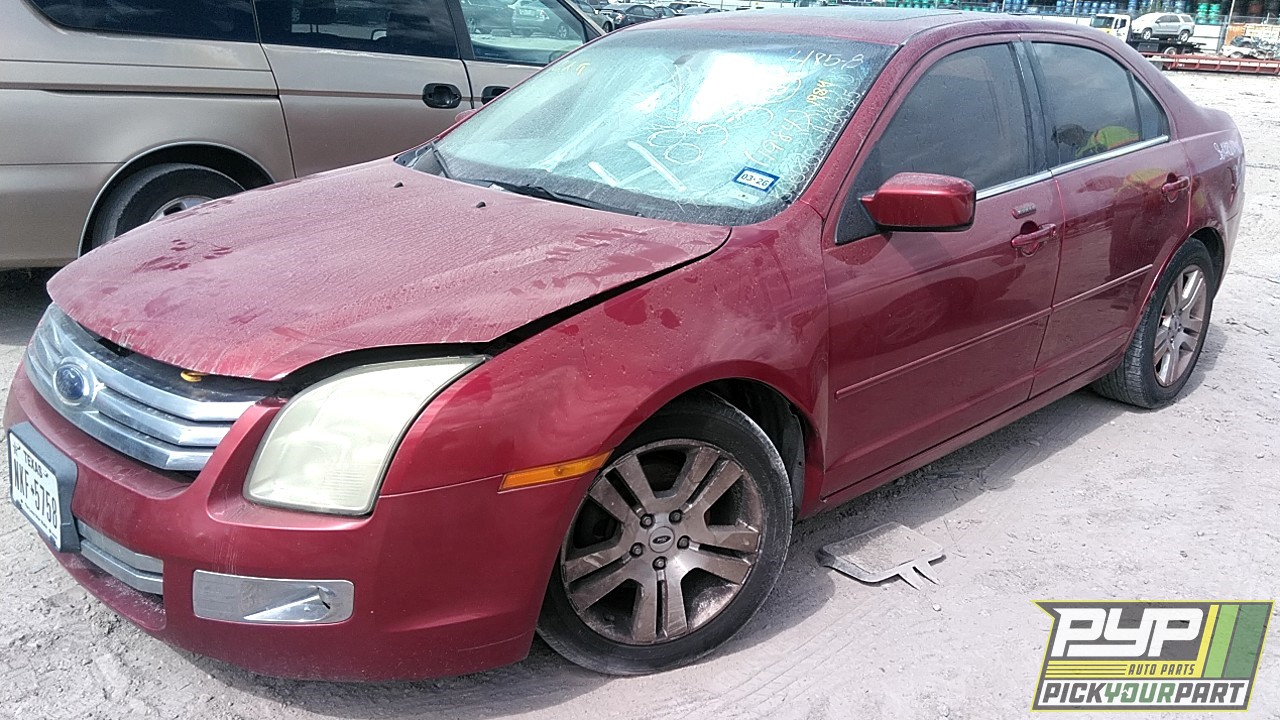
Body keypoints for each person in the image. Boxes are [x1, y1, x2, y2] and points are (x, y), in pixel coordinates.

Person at [1052, 123, 1139, 159]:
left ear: (1078, 130)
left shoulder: (1107, 133)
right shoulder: (1077, 155)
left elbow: (1139, 145)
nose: (1066, 140)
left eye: (1067, 134)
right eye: (1062, 140)